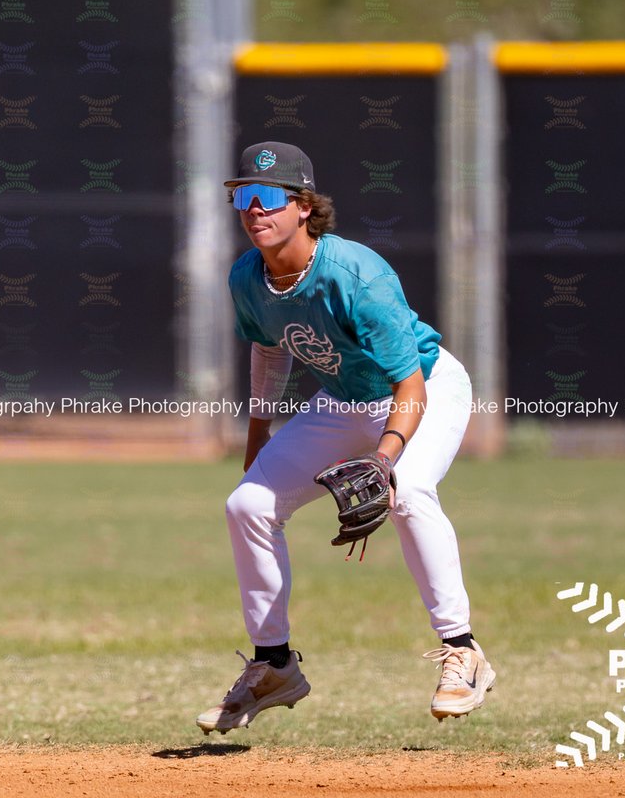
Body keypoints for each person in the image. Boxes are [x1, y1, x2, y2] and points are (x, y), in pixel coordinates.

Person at [195, 141, 496, 735]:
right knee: (247, 504)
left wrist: (384, 459)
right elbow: (269, 350)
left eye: (269, 196)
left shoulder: (357, 275)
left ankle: (463, 652)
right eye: (243, 195)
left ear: (304, 206)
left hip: (424, 388)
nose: (254, 208)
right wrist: (257, 436)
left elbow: (410, 386)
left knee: (409, 491)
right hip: (343, 401)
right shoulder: (247, 276)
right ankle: (273, 665)